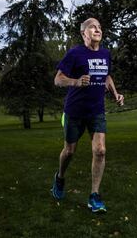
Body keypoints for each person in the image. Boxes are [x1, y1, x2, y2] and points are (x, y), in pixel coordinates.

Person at [51, 18, 124, 213]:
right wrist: (75, 82)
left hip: (96, 111)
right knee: (69, 152)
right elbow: (58, 79)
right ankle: (59, 177)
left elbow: (106, 75)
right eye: (93, 27)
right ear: (84, 33)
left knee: (100, 150)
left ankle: (94, 196)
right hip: (74, 112)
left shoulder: (105, 54)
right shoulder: (75, 53)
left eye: (100, 27)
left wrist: (115, 93)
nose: (97, 29)